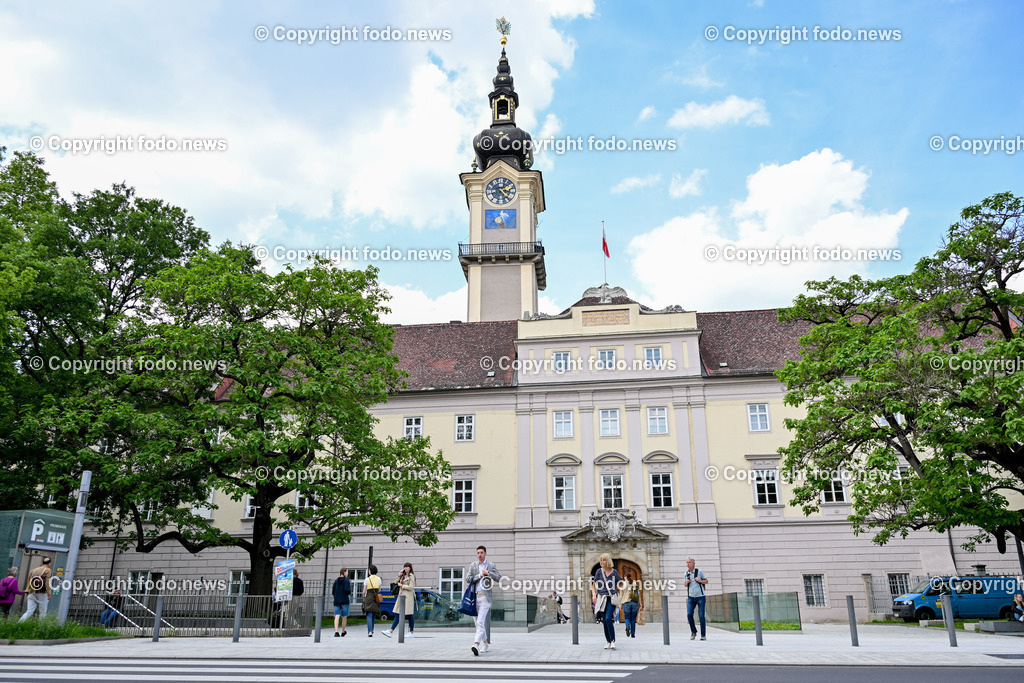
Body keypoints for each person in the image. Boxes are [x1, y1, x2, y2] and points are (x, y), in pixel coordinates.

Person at [468, 545, 501, 656]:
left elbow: (499, 578)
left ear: (485, 553)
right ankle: (486, 643)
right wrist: (479, 575)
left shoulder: (491, 565)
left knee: (480, 622)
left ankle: (476, 644)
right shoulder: (473, 565)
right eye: (478, 553)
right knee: (477, 623)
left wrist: (488, 573)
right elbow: (468, 579)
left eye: (481, 552)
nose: (480, 555)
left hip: (486, 597)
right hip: (475, 597)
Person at [591, 553, 622, 650]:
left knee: (608, 618)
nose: (602, 562)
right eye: (601, 560)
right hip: (601, 598)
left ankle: (612, 641)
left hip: (611, 598)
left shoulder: (614, 572)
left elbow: (620, 583)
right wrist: (594, 595)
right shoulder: (599, 572)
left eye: (604, 560)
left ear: (608, 561)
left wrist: (624, 586)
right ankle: (608, 641)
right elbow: (594, 585)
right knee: (604, 620)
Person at [382, 563, 415, 638]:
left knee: (409, 615)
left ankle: (411, 632)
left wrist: (402, 585)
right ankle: (391, 631)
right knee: (397, 613)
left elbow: (411, 587)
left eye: (407, 567)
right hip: (401, 596)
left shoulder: (411, 576)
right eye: (405, 567)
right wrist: (399, 575)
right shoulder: (403, 575)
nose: (406, 568)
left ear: (410, 568)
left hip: (408, 597)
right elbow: (396, 582)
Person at [19, 557, 53, 622]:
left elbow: (29, 581)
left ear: (42, 563)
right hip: (42, 594)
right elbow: (47, 582)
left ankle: (19, 623)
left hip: (32, 593)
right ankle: (40, 626)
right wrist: (49, 594)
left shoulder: (34, 570)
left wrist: (28, 591)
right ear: (49, 564)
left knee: (29, 611)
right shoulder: (48, 570)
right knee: (42, 612)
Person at [684, 557, 708, 640]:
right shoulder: (686, 573)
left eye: (689, 562)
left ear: (693, 564)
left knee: (701, 616)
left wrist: (700, 581)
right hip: (691, 597)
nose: (688, 564)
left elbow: (706, 581)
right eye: (687, 562)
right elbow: (685, 585)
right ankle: (693, 632)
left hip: (701, 597)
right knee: (689, 614)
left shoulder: (699, 571)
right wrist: (686, 583)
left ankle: (703, 635)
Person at [361, 564, 383, 637]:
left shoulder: (367, 579)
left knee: (369, 614)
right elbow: (379, 589)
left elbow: (364, 591)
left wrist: (364, 596)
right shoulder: (379, 579)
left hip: (369, 598)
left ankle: (369, 631)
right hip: (376, 598)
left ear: (370, 571)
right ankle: (372, 630)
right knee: (374, 614)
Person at [621, 572, 642, 638]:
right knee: (633, 618)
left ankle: (627, 626)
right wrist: (639, 602)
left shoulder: (623, 584)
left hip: (626, 602)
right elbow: (637, 593)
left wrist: (620, 604)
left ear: (625, 577)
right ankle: (632, 634)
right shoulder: (634, 583)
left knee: (627, 617)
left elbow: (621, 595)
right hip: (634, 602)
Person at [332, 568, 351, 637]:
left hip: (337, 600)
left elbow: (333, 591)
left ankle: (336, 632)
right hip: (344, 600)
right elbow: (347, 590)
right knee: (344, 616)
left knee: (337, 615)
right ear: (344, 572)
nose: (348, 573)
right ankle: (343, 631)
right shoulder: (346, 580)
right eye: (347, 572)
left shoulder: (336, 581)